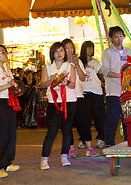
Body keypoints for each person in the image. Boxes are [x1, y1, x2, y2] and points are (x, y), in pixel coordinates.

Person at [40, 42, 77, 170]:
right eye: (56, 51)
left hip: (69, 101)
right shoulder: (48, 67)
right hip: (53, 102)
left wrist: (65, 82)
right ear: (52, 54)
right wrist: (51, 80)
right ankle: (44, 159)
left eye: (61, 50)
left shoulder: (69, 66)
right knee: (52, 131)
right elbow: (43, 84)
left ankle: (64, 156)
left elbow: (73, 85)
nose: (59, 53)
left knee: (67, 130)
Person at [62, 39, 99, 158]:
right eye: (67, 48)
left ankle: (89, 148)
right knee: (68, 124)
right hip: (66, 97)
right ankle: (70, 148)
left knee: (84, 122)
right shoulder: (61, 63)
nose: (70, 50)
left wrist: (77, 64)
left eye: (71, 47)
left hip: (78, 95)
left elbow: (83, 77)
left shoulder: (78, 62)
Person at [102, 26, 131, 146]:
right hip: (113, 90)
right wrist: (121, 75)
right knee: (112, 117)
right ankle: (109, 141)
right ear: (111, 38)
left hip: (126, 90)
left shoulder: (128, 51)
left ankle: (128, 141)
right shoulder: (108, 52)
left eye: (121, 36)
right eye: (116, 36)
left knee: (127, 117)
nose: (119, 39)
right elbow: (105, 71)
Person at [0, 45, 20, 179]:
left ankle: (7, 162)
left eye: (5, 52)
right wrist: (7, 85)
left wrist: (16, 89)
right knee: (0, 136)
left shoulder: (7, 70)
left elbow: (11, 86)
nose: (5, 54)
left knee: (11, 134)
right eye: (2, 52)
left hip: (10, 103)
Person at [80, 41, 106, 149]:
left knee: (99, 117)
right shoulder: (79, 62)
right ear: (83, 49)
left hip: (96, 92)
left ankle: (101, 138)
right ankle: (84, 139)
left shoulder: (96, 62)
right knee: (84, 118)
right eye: (88, 48)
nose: (90, 50)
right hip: (84, 93)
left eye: (92, 48)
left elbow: (102, 72)